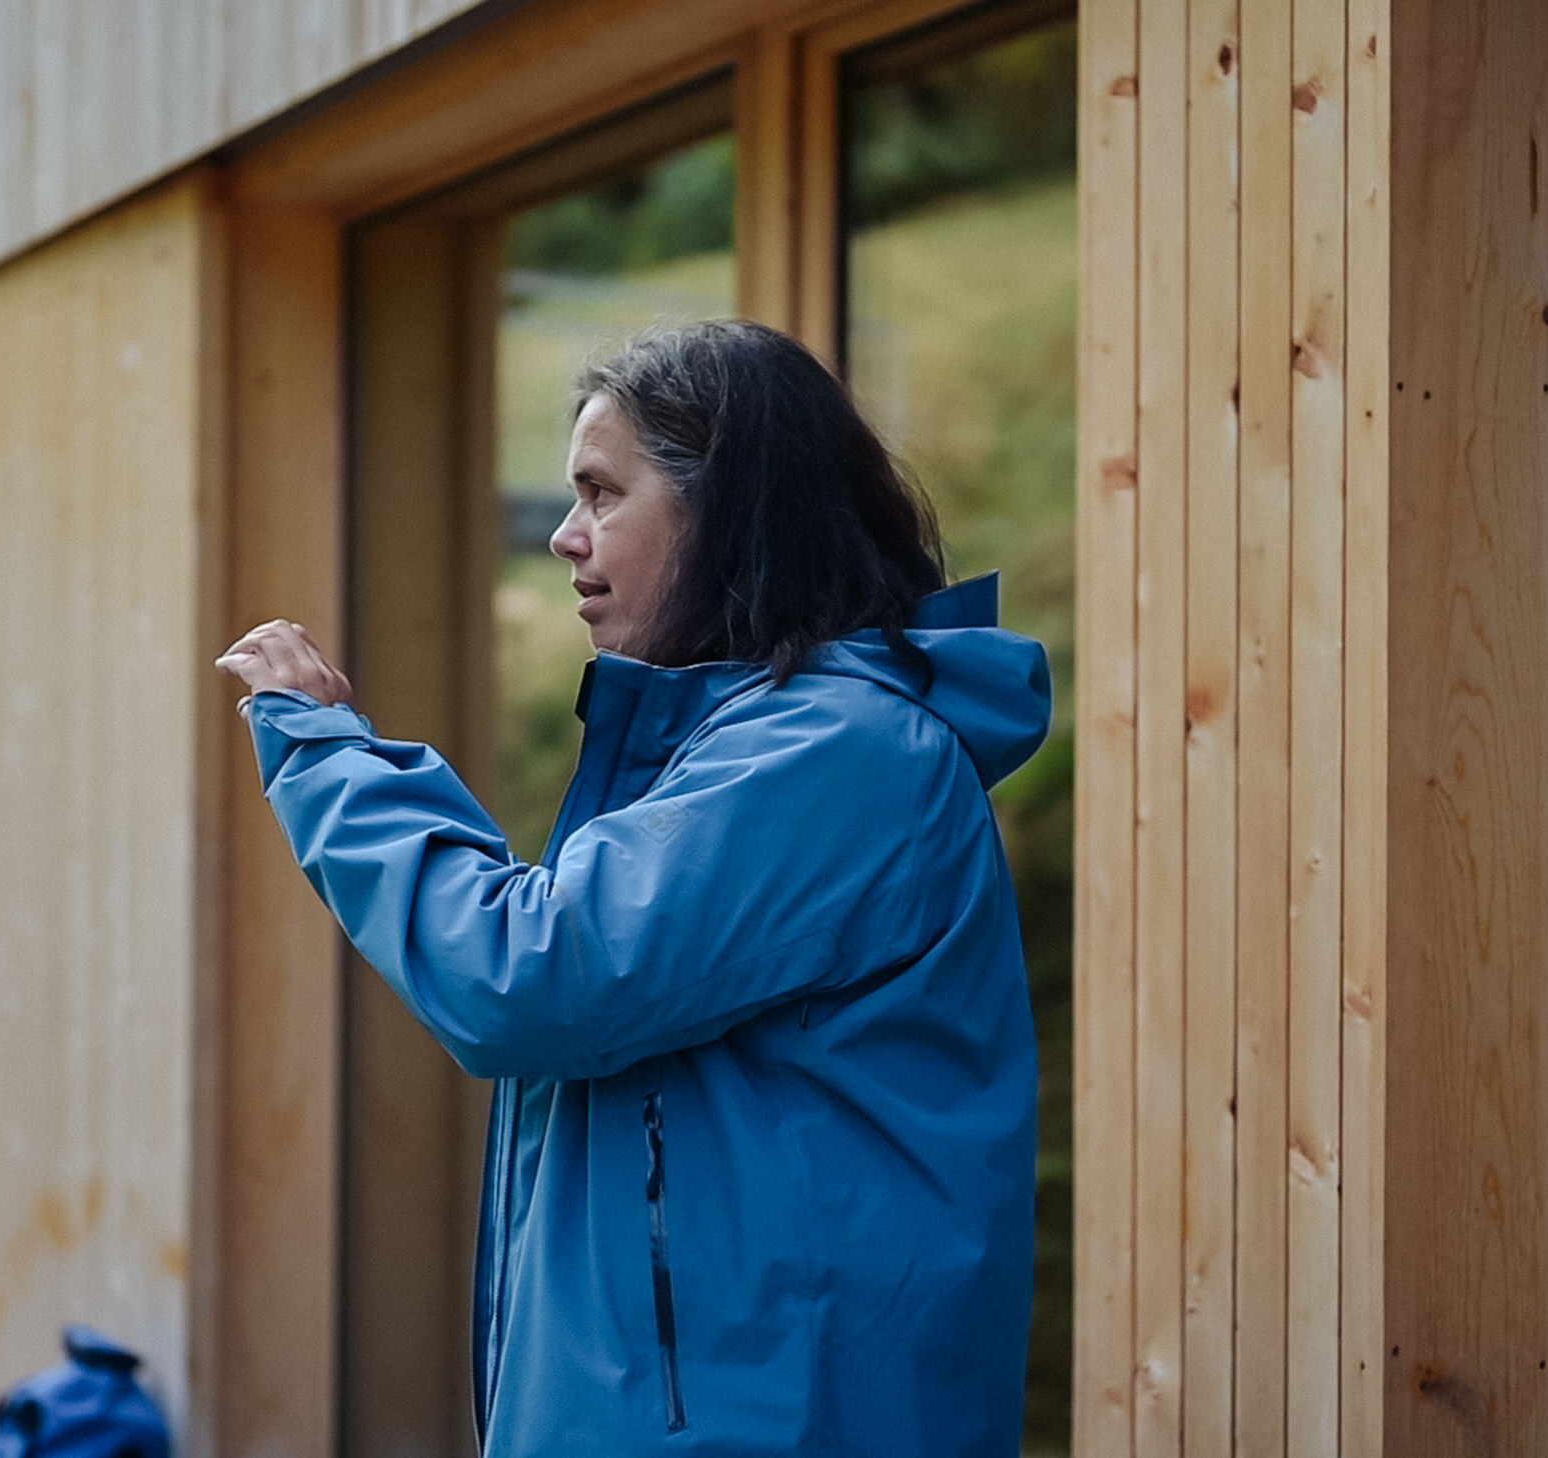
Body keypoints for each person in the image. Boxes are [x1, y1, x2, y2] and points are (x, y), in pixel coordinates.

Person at [215, 320, 1048, 1456]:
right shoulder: (764, 747)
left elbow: (528, 976)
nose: (565, 538)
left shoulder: (836, 756)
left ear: (733, 509)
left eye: (602, 494)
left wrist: (328, 760)